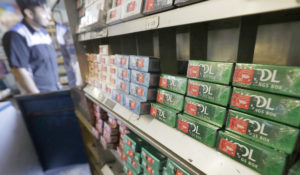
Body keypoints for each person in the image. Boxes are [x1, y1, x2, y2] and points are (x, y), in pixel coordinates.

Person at [2, 0, 61, 94]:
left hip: (54, 90)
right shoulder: (17, 35)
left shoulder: (43, 33)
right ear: (29, 13)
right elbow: (19, 70)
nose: (49, 17)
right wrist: (38, 97)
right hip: (38, 96)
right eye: (43, 11)